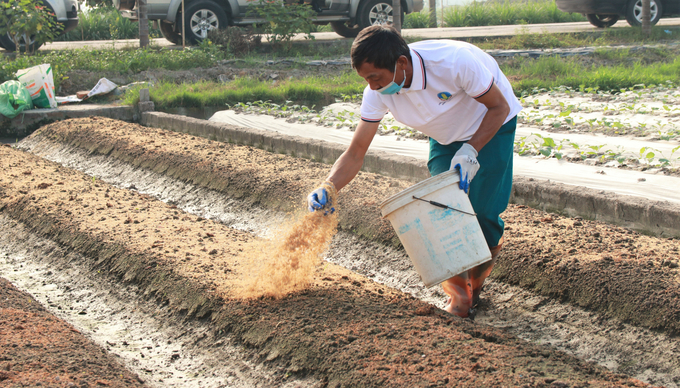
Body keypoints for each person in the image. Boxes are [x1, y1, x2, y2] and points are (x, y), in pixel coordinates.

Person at [307, 25, 522, 318]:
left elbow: (498, 107)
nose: (371, 86)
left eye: (374, 77)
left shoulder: (454, 62)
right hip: (445, 136)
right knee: (446, 208)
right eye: (365, 79)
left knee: (483, 211)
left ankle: (477, 286)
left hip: (491, 123)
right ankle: (459, 297)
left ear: (402, 64)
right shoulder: (379, 92)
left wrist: (471, 150)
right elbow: (357, 151)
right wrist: (329, 186)